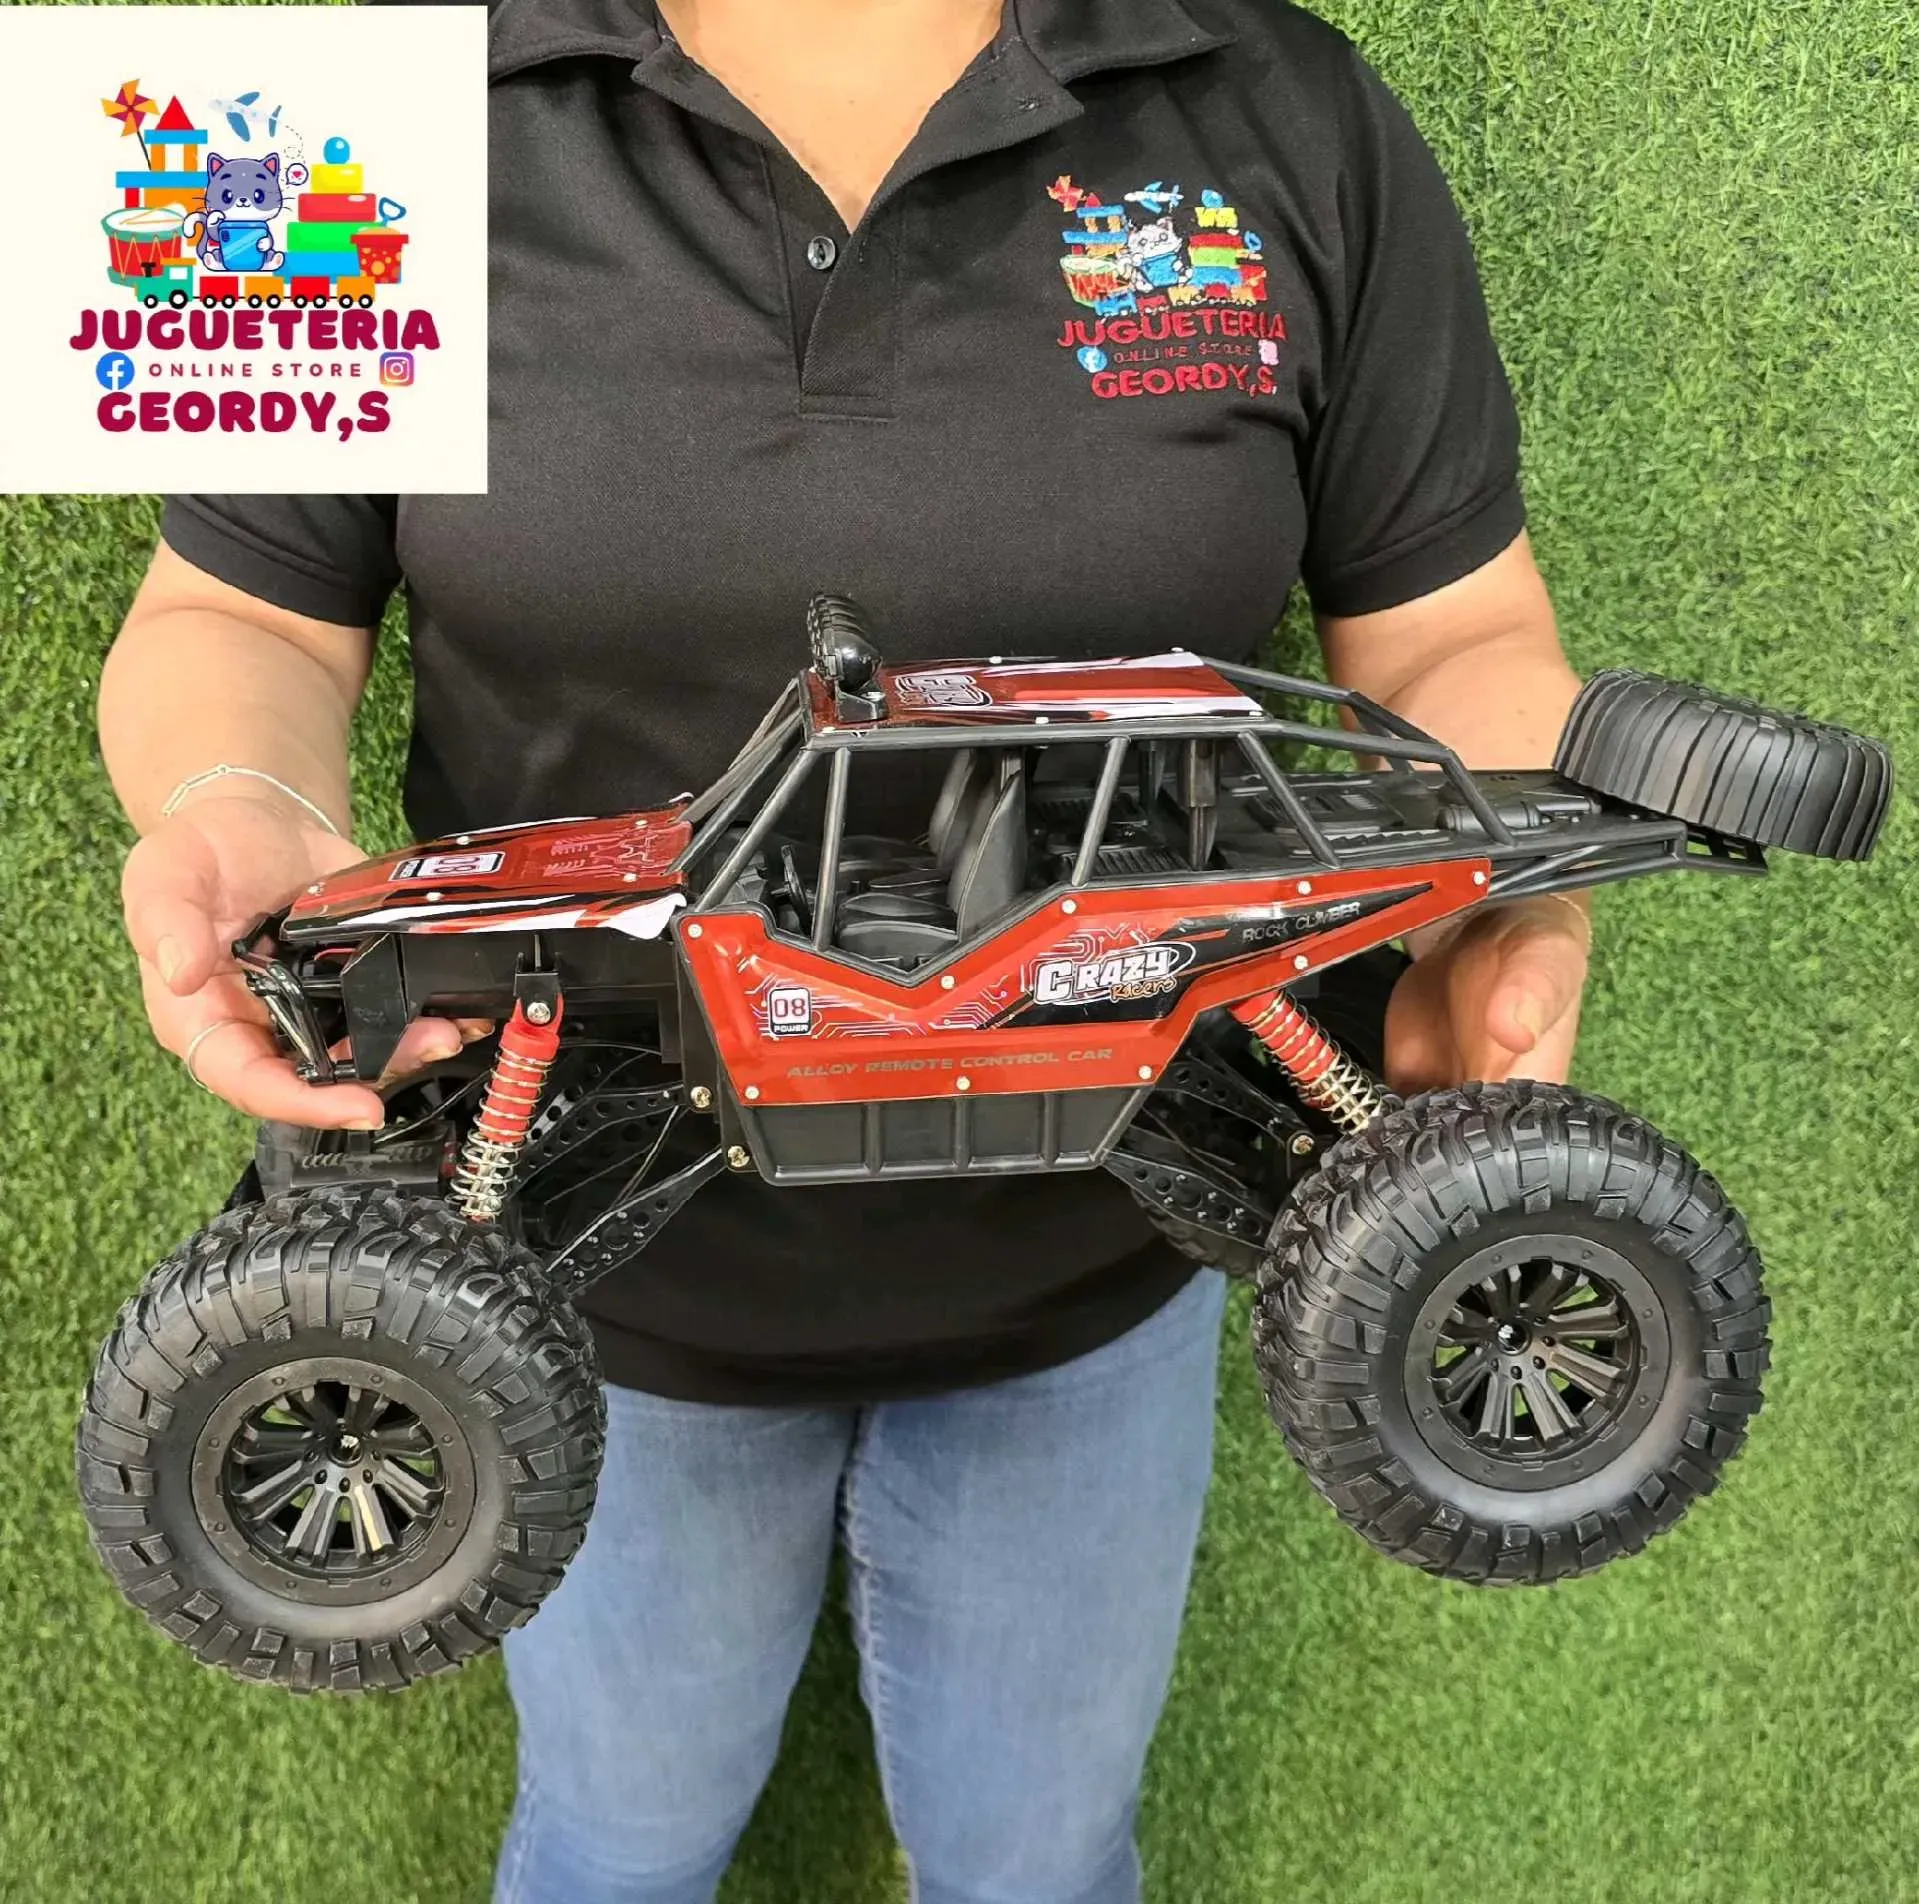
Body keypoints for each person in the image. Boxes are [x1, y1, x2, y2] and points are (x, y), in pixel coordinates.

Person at [98, 0, 1592, 1897]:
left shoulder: (1281, 102)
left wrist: (1496, 888)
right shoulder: (331, 118)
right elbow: (233, 607)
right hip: (575, 1281)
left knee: (1040, 1859)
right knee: (617, 1846)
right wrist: (236, 795)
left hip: (1108, 1249)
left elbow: (1457, 634)